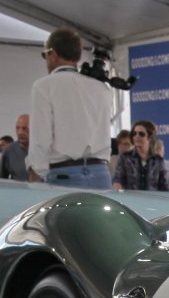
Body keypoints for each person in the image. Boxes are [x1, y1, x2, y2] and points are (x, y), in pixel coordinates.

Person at [28, 27, 113, 189]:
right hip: (101, 173)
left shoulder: (43, 86)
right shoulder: (102, 88)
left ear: (53, 54)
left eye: (45, 55)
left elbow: (41, 139)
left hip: (65, 174)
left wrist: (35, 174)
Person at [113, 120, 169, 191]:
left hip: (152, 197)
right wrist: (117, 188)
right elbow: (118, 178)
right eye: (134, 134)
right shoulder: (125, 158)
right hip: (130, 197)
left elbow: (163, 186)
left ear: (149, 137)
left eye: (141, 134)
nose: (137, 136)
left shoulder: (158, 160)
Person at [0, 115, 30, 181]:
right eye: (17, 128)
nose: (20, 132)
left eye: (24, 128)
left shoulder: (45, 149)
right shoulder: (9, 151)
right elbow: (1, 179)